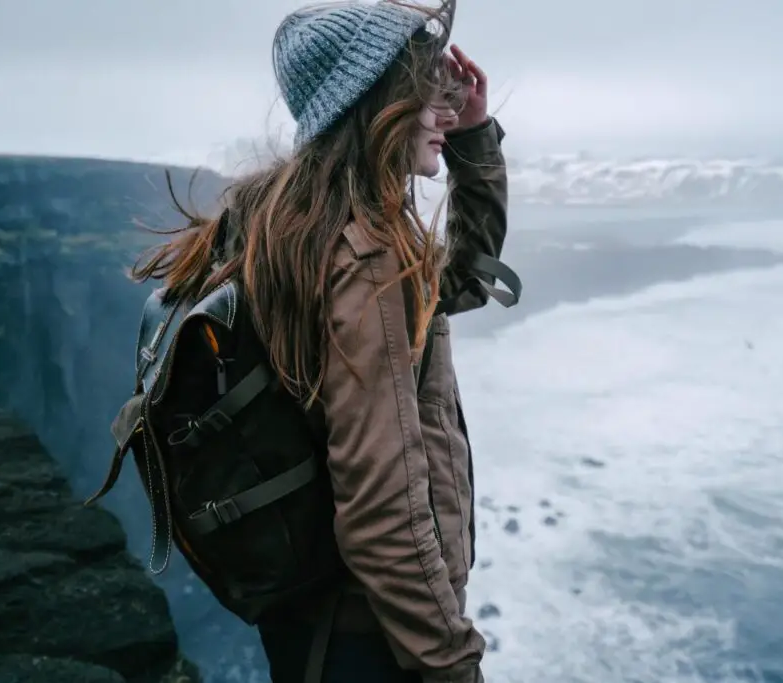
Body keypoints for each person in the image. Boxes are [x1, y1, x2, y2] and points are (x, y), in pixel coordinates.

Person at [133, 1, 512, 681]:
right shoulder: (362, 257)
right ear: (380, 102)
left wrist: (475, 145)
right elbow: (381, 513)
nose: (449, 104)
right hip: (373, 637)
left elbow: (458, 285)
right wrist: (454, 664)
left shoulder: (296, 222)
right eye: (428, 86)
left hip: (318, 624)